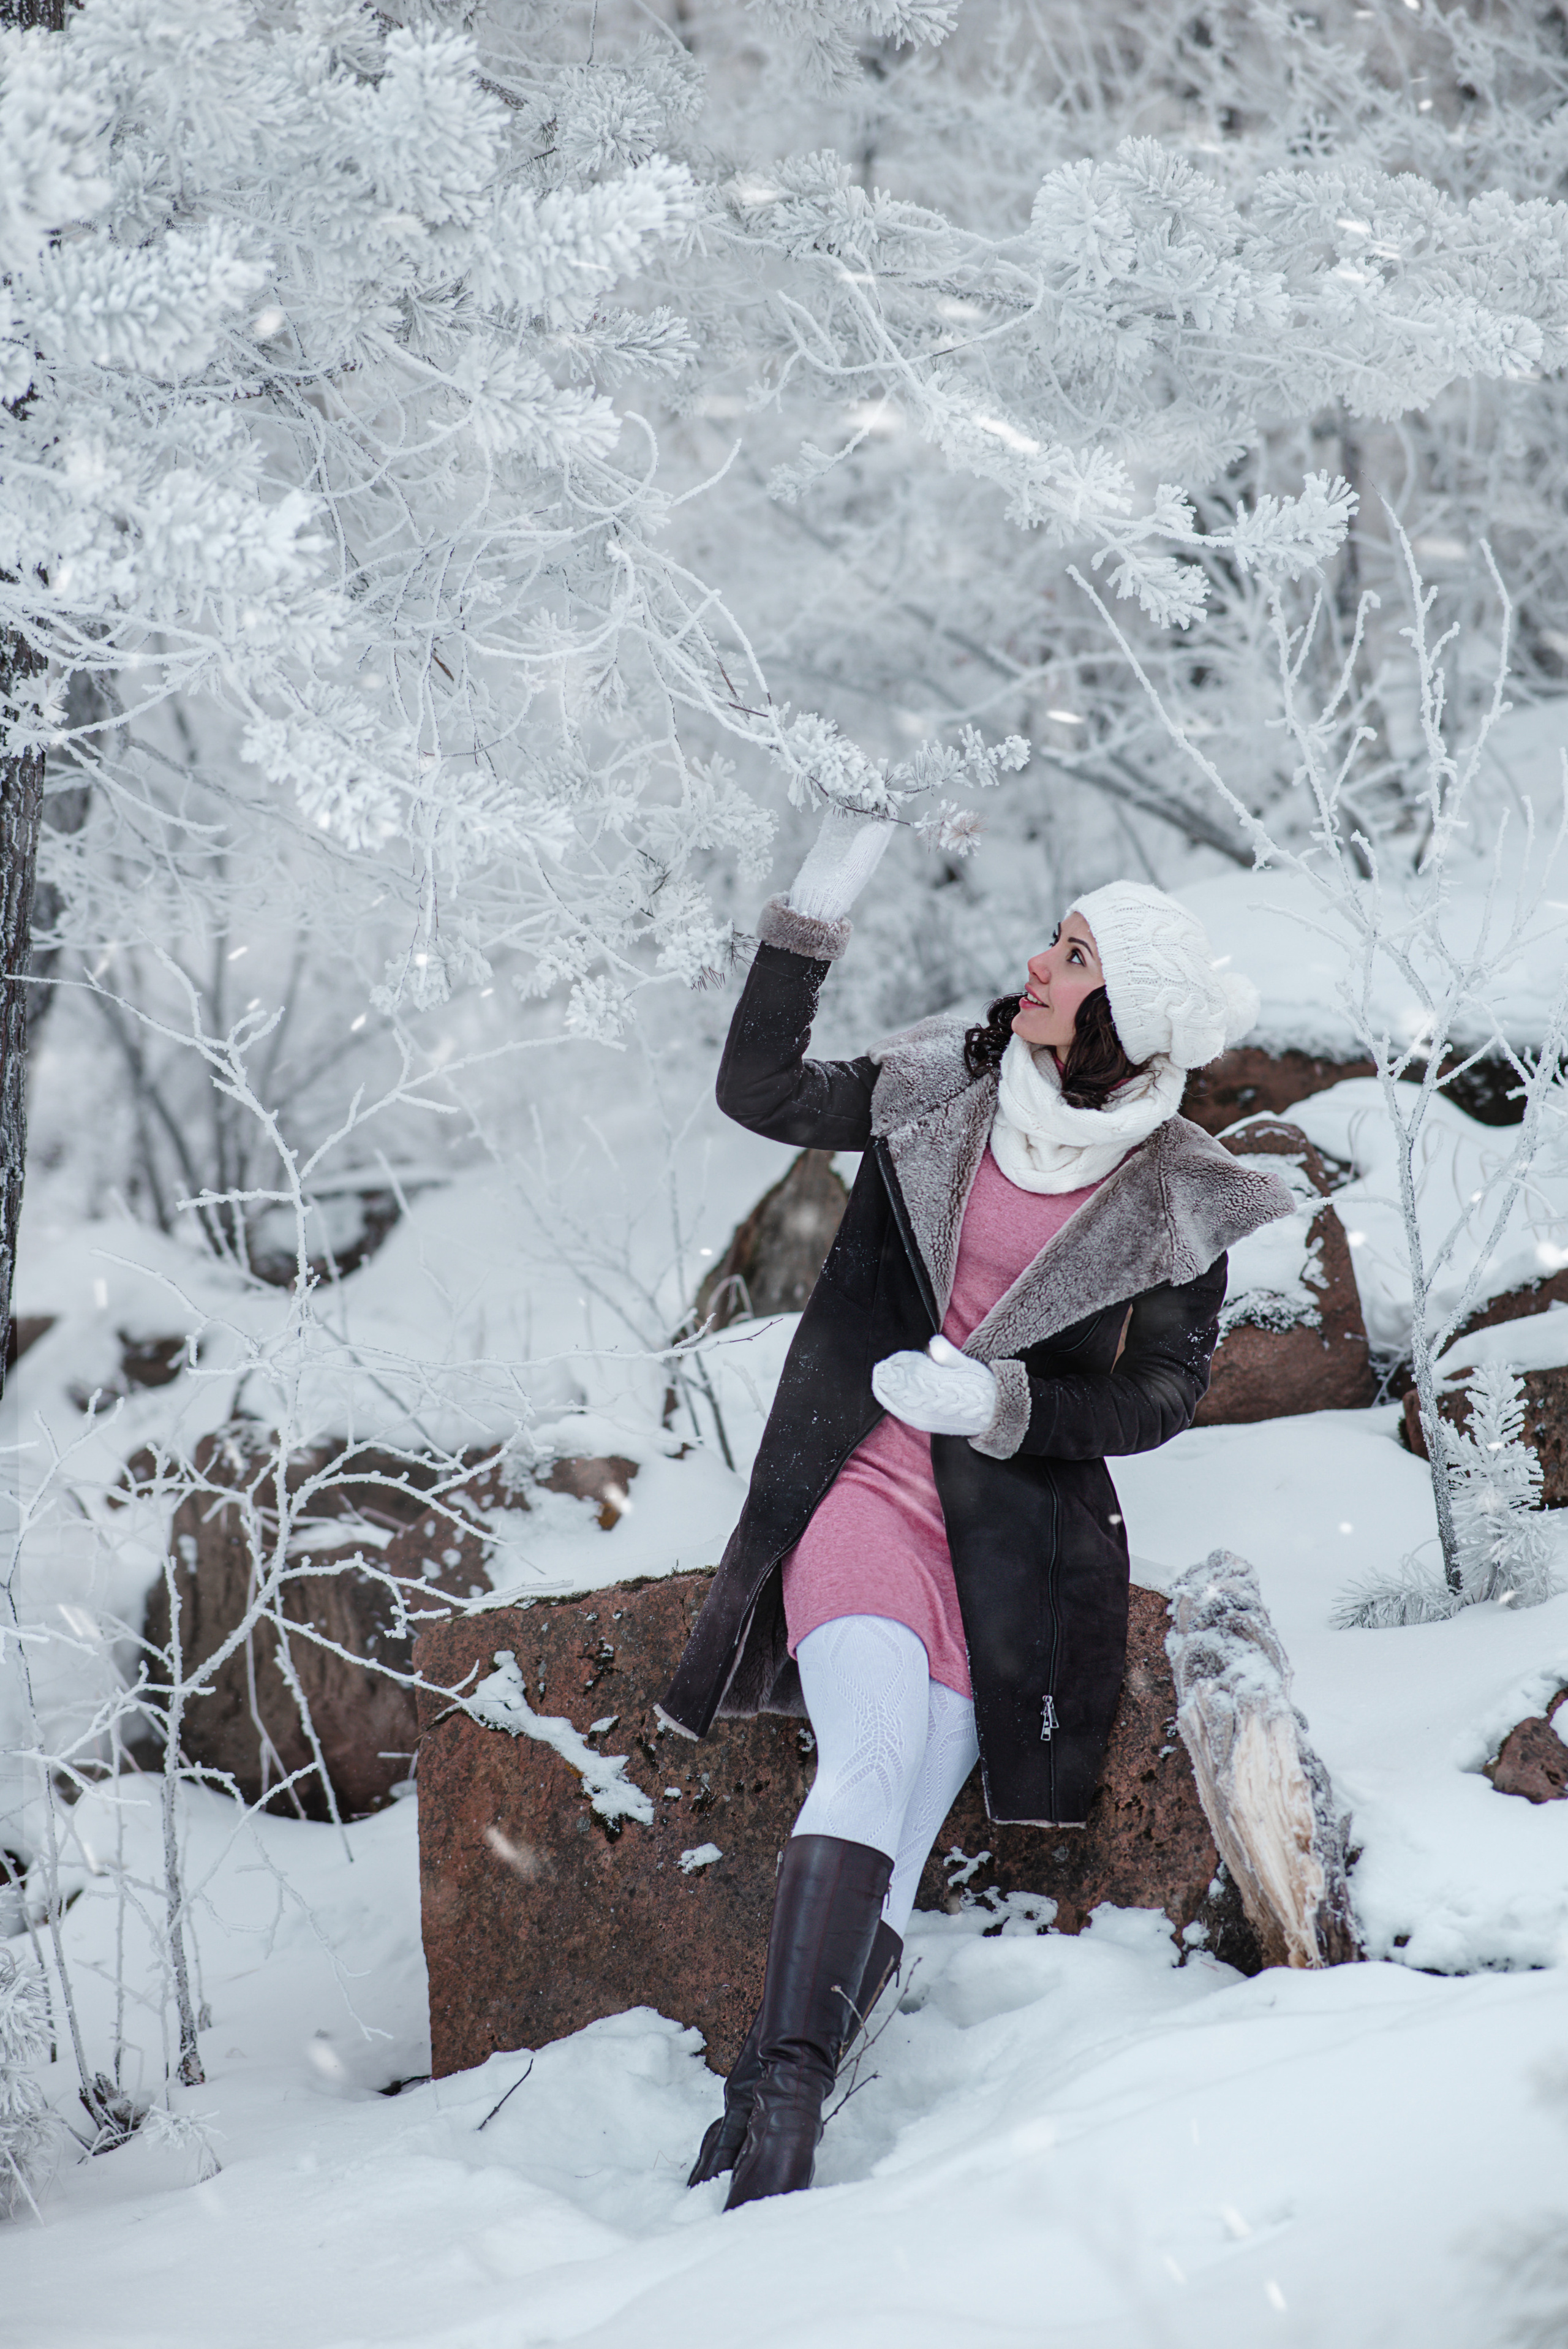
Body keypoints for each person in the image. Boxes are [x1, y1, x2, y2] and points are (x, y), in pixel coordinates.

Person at [657, 806, 1294, 2211]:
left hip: (1005, 1550)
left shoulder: (1180, 1198)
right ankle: (783, 2135)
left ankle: (769, 2101)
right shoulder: (950, 1080)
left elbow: (1160, 1399)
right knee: (866, 1756)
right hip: (859, 1485)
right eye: (1054, 939)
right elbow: (758, 1091)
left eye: (1068, 953)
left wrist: (1001, 1406)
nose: (1035, 960)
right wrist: (819, 903)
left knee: (898, 1819)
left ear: (1120, 1013)